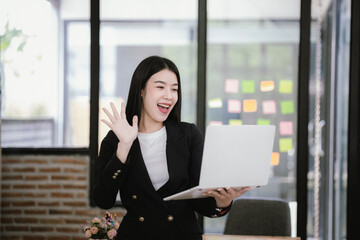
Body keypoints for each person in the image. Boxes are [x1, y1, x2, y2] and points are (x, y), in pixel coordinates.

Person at [93, 56, 251, 240]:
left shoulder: (188, 135)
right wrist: (124, 146)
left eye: (174, 89)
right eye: (160, 87)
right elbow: (103, 199)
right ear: (141, 90)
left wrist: (223, 201)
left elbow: (200, 203)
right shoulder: (116, 139)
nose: (169, 95)